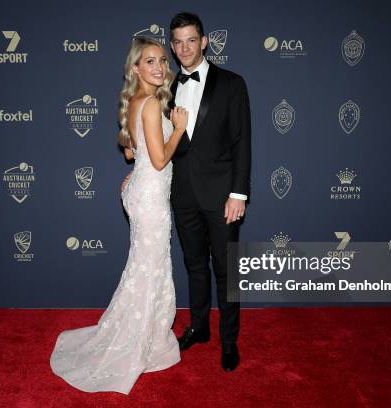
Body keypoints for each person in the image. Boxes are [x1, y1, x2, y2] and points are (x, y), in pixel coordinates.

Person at [49, 38, 189, 394]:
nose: (159, 67)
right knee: (151, 268)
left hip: (142, 192)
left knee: (146, 266)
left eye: (161, 60)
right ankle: (142, 343)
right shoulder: (154, 105)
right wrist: (181, 127)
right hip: (151, 199)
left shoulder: (136, 101)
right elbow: (160, 159)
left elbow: (131, 152)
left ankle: (149, 338)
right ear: (135, 69)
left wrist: (139, 168)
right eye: (149, 61)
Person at [168, 12, 251, 372]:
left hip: (221, 196)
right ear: (172, 46)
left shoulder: (232, 83)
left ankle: (229, 341)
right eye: (178, 41)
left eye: (191, 40)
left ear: (204, 41)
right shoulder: (167, 86)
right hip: (182, 194)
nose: (184, 47)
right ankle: (199, 327)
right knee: (194, 266)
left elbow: (242, 142)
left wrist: (239, 193)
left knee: (227, 271)